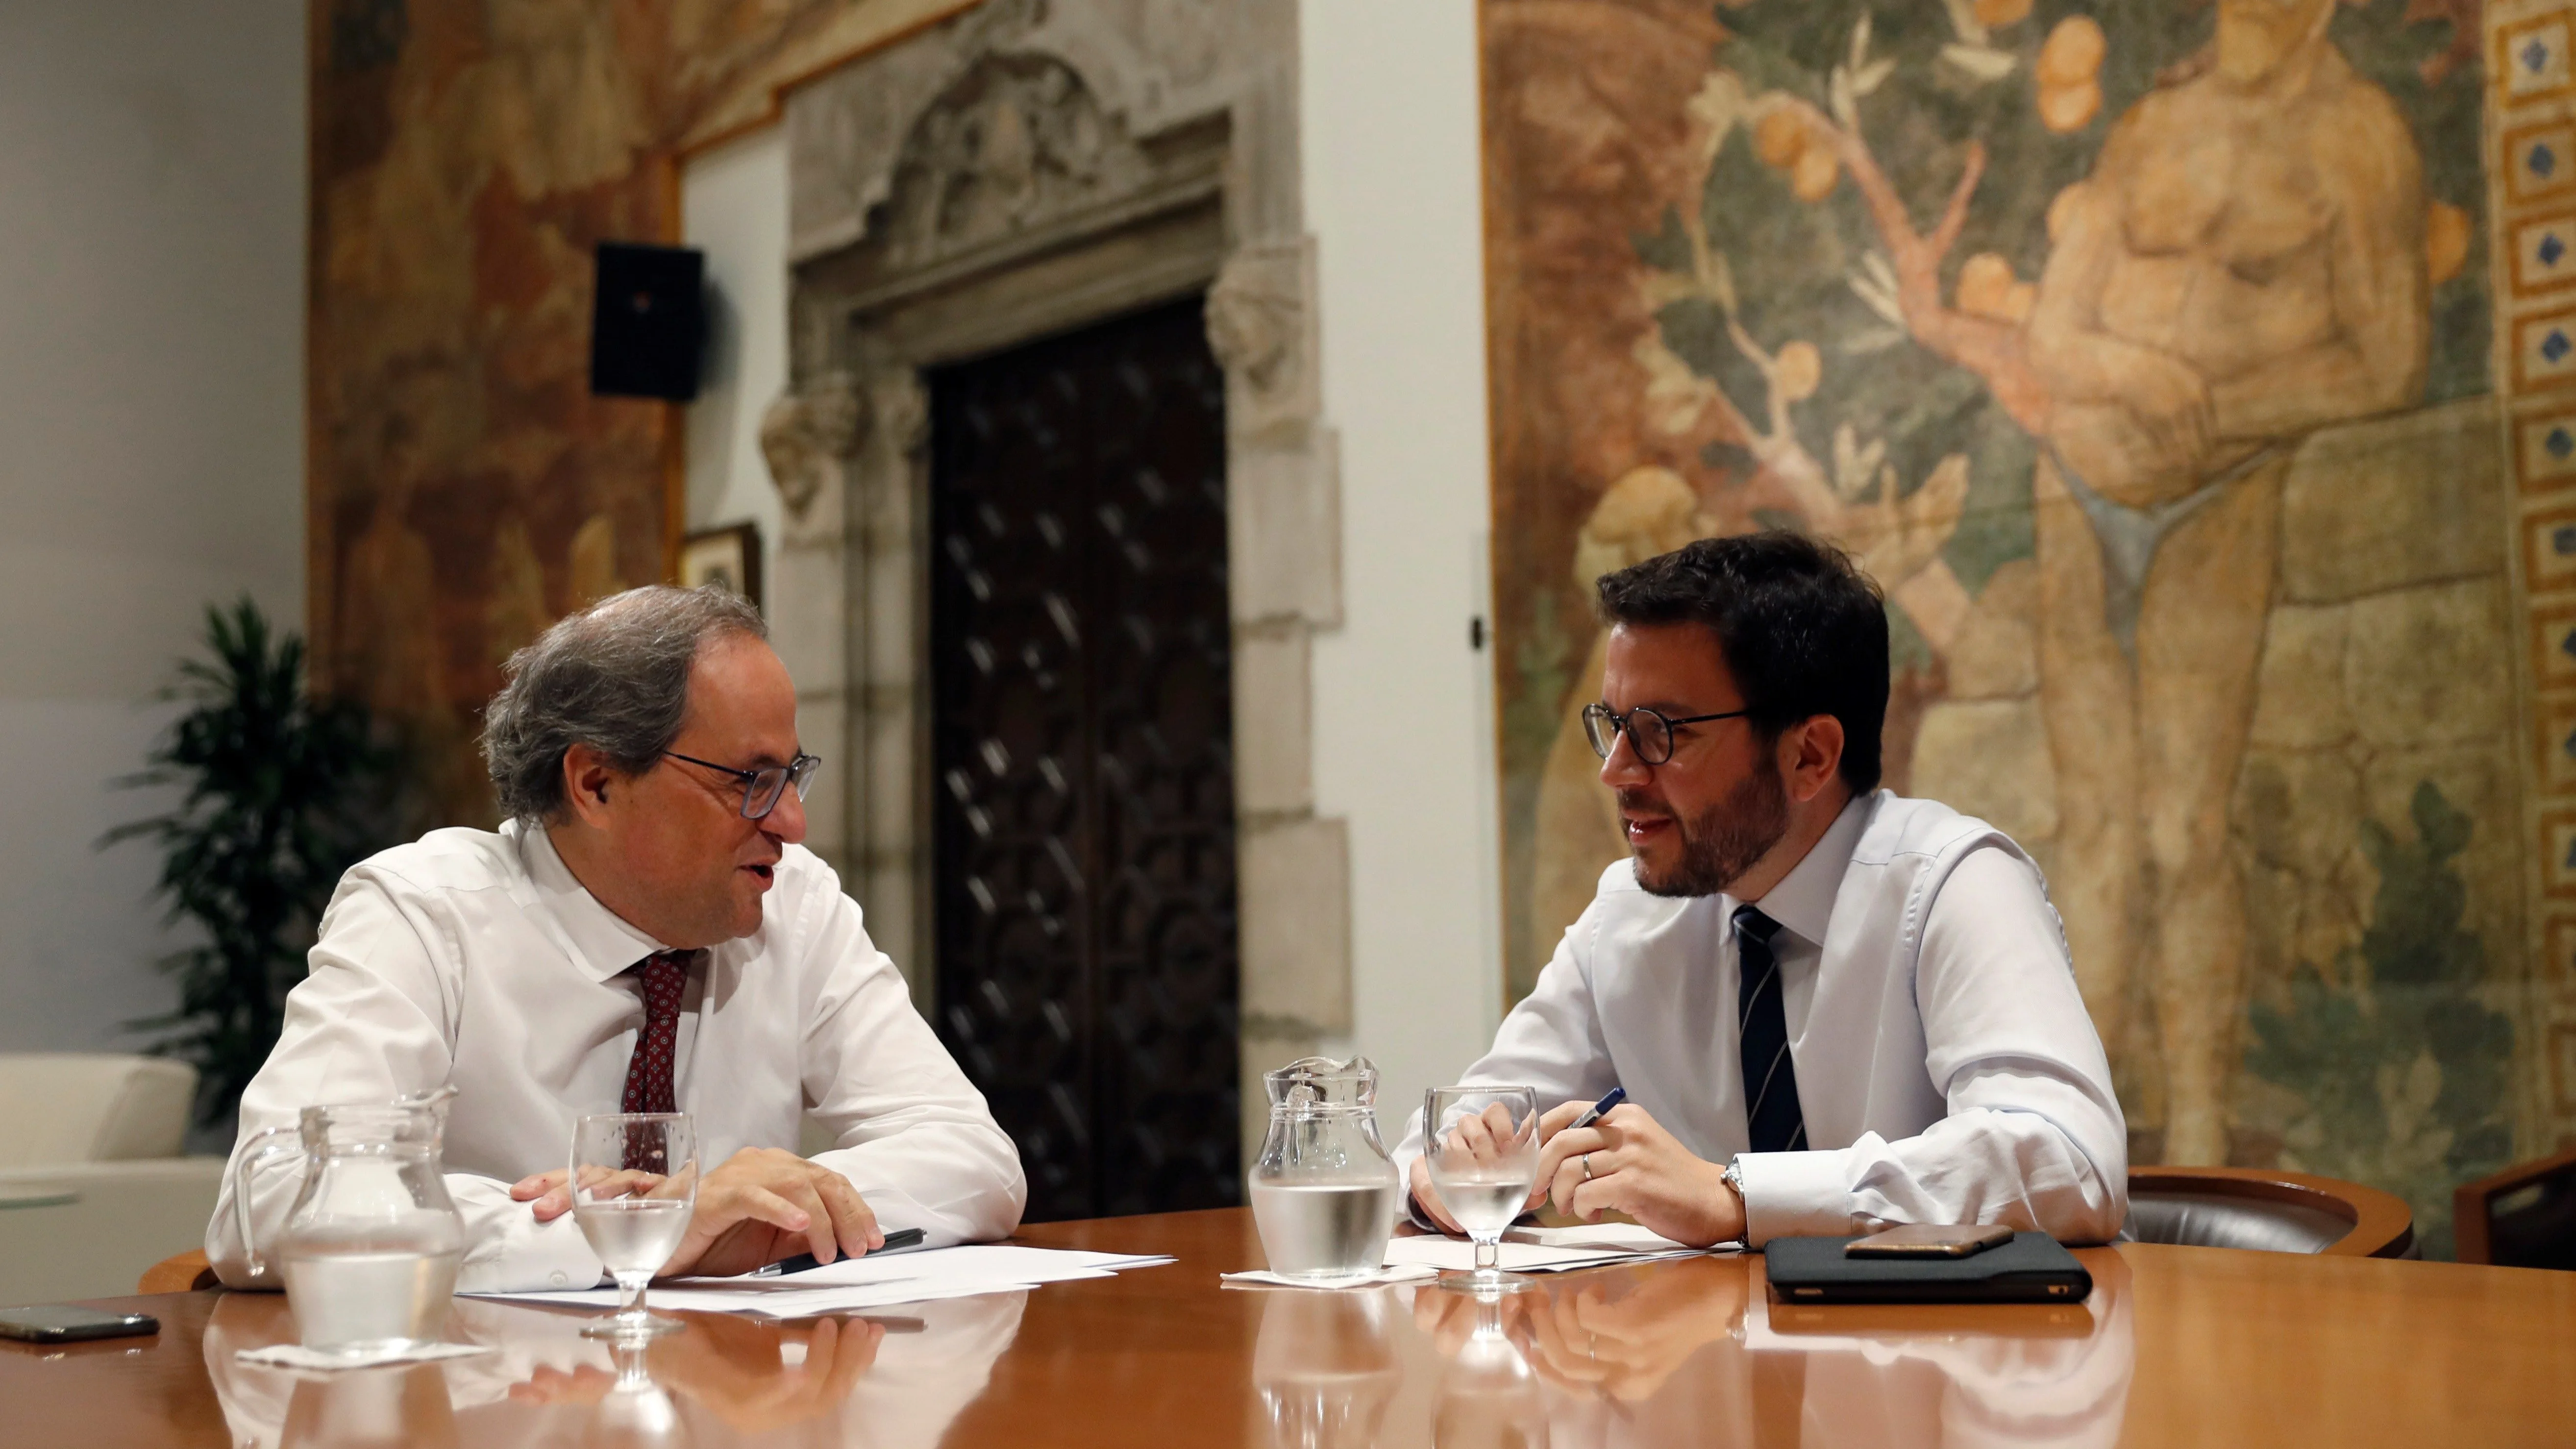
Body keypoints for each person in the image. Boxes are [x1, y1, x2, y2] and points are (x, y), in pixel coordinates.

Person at [207, 585, 1026, 1291]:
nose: (793, 824)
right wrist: (643, 1226)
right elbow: (274, 1202)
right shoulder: (425, 914)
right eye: (752, 783)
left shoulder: (795, 906)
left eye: (792, 776)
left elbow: (975, 1160)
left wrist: (752, 1205)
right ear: (595, 783)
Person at [1396, 533, 2127, 1247]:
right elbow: (1458, 1130)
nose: (1616, 771)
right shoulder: (1628, 916)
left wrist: (1742, 1195)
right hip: (1721, 1360)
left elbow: (2070, 1160)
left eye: (1660, 732)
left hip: (1950, 1365)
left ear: (1810, 756)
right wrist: (1448, 1168)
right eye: (1613, 725)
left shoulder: (1955, 884)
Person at [2022, 0, 2427, 1163]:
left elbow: (2388, 357)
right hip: (2080, 482)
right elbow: (2056, 329)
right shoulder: (2150, 126)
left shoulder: (2360, 136)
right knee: (2093, 829)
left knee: (2184, 829)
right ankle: (2072, 1143)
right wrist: (2131, 372)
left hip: (2220, 491)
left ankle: (2196, 1139)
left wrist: (2213, 417)